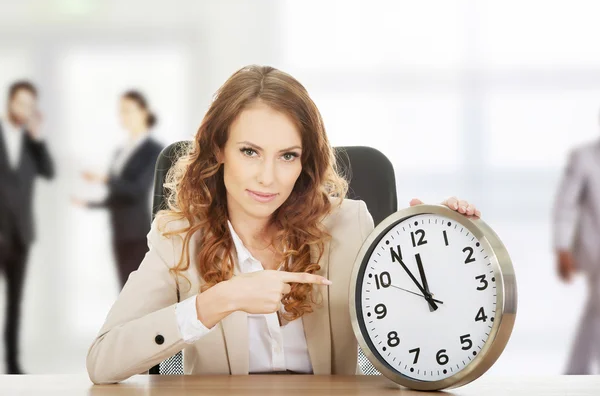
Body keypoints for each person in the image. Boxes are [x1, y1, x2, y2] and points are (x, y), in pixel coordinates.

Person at [86, 65, 481, 384]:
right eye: (250, 152)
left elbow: (421, 340)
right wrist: (218, 301)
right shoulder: (178, 237)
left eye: (287, 156)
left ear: (304, 161)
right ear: (219, 148)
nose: (267, 177)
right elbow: (103, 361)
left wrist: (436, 244)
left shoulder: (351, 226)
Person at [73, 91, 163, 288]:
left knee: (137, 293)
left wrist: (103, 178)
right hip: (119, 230)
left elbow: (137, 190)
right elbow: (118, 195)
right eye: (121, 111)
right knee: (123, 290)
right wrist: (89, 204)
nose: (123, 116)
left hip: (137, 232)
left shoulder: (154, 150)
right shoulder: (120, 152)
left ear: (144, 112)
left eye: (128, 111)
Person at [0, 81, 54, 374]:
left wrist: (38, 137)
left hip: (20, 235)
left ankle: (12, 364)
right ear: (10, 102)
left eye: (30, 105)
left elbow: (49, 171)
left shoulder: (31, 143)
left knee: (14, 304)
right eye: (21, 103)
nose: (25, 110)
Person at [553, 133, 600, 374]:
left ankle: (576, 373)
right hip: (594, 249)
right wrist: (562, 248)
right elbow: (565, 204)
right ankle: (578, 373)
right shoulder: (584, 158)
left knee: (595, 311)